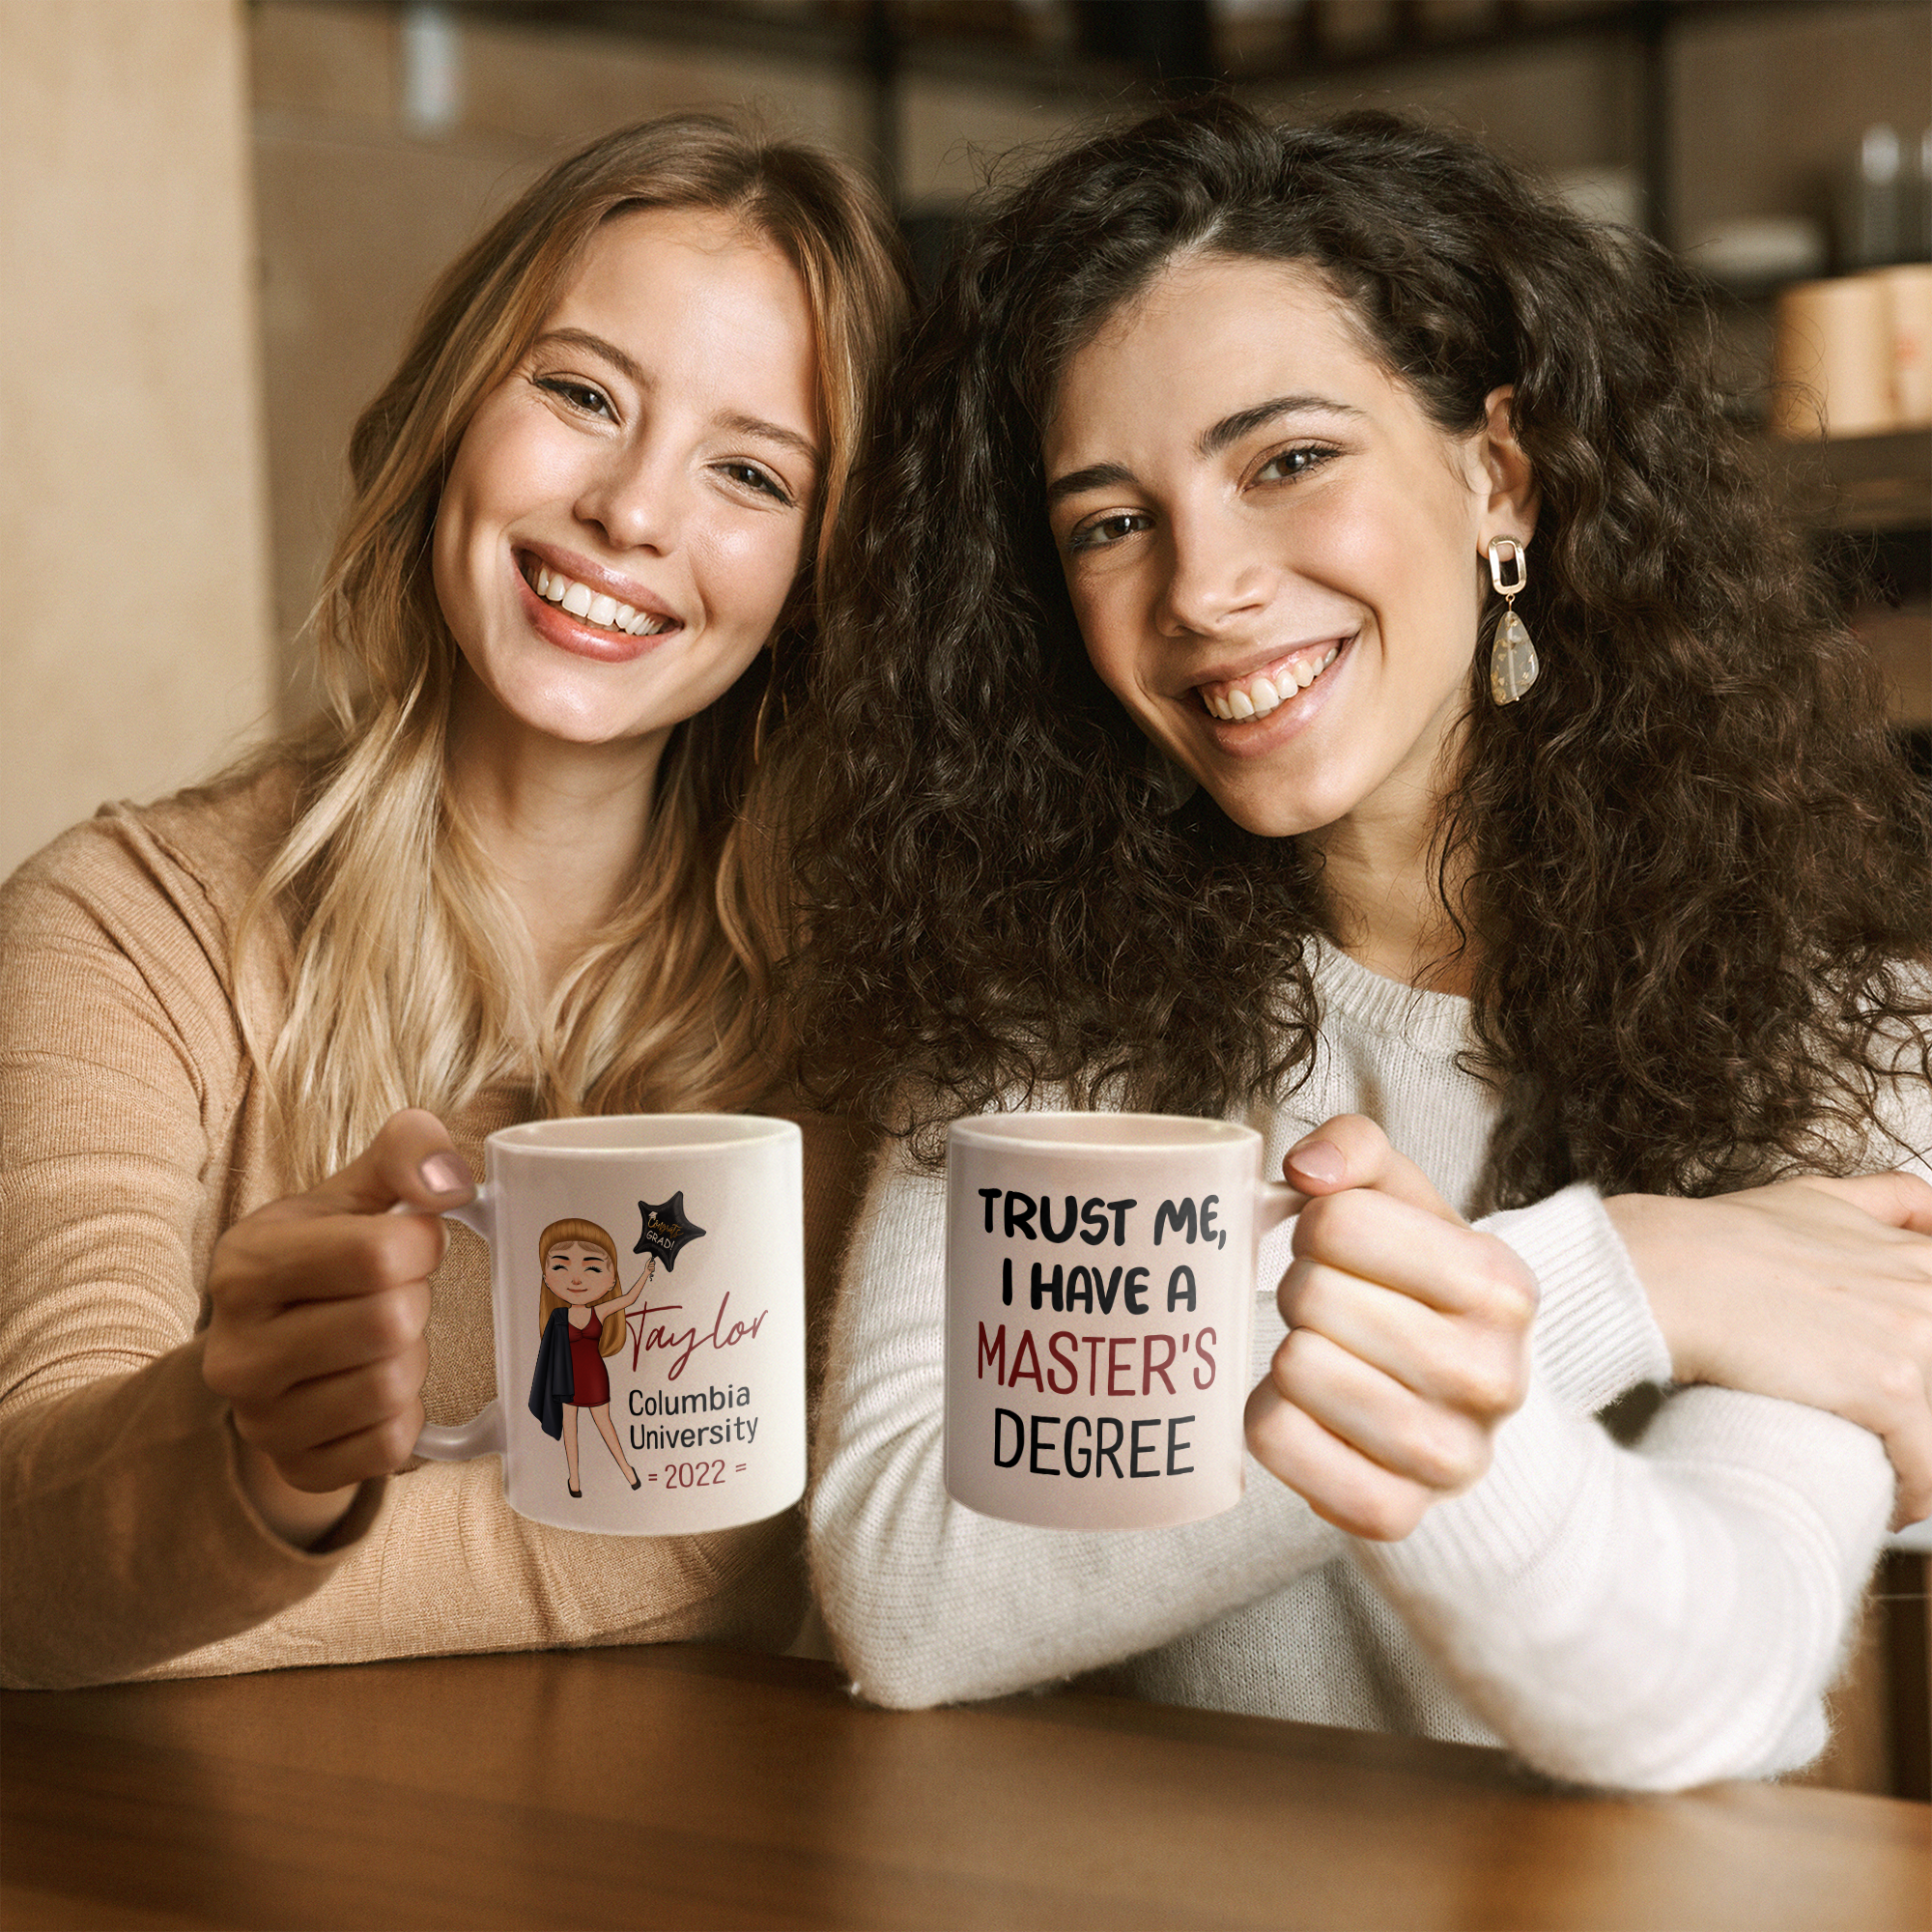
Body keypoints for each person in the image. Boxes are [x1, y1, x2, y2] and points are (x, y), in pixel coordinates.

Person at [794, 99, 1932, 1790]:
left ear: (1500, 476)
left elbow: (1701, 1684)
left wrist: (1489, 1304)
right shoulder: (1043, 1007)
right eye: (1110, 521)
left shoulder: (1841, 1024)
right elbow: (905, 1589)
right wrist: (1617, 1279)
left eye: (1287, 461)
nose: (1203, 586)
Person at [0, 114, 907, 1689]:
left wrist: (223, 1574)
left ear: (819, 572)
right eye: (580, 394)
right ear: (448, 417)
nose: (634, 510)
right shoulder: (122, 927)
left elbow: (771, 1516)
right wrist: (259, 1465)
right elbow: (31, 1555)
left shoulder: (861, 1002)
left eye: (750, 472)